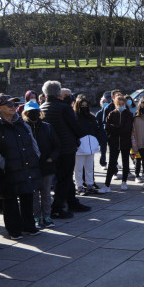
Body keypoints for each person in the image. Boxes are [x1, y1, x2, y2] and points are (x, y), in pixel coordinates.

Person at [0, 94, 42, 239]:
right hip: (7, 169)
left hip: (26, 165)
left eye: (14, 104)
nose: (13, 107)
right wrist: (3, 164)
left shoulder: (22, 123)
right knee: (9, 200)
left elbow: (32, 141)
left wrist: (36, 156)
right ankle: (14, 229)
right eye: (9, 105)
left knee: (27, 196)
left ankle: (29, 226)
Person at [40, 80, 90, 217]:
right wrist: (79, 135)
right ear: (58, 92)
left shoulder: (43, 106)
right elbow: (76, 127)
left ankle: (72, 201)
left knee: (62, 178)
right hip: (66, 147)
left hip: (52, 148)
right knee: (64, 179)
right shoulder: (63, 107)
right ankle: (58, 207)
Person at [24, 101, 59, 229]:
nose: (34, 114)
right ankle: (36, 216)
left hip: (46, 165)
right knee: (33, 194)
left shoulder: (47, 127)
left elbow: (56, 145)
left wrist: (51, 158)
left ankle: (47, 216)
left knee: (46, 193)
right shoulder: (23, 127)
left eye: (36, 112)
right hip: (31, 166)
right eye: (30, 112)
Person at [105, 94, 134, 191]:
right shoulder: (112, 113)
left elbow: (127, 128)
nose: (121, 105)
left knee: (125, 162)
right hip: (114, 142)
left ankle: (124, 182)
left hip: (125, 142)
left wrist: (115, 127)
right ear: (116, 104)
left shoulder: (129, 114)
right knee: (111, 163)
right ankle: (107, 184)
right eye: (119, 104)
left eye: (122, 104)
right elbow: (107, 127)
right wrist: (118, 127)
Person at [73, 95, 101, 194]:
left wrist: (96, 141)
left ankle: (90, 184)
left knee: (89, 167)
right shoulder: (75, 117)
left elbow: (97, 130)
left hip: (91, 146)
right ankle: (79, 186)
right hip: (80, 146)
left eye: (86, 105)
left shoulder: (91, 117)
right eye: (82, 105)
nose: (84, 107)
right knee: (79, 168)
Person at [95, 90, 115, 171]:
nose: (104, 103)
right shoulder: (99, 113)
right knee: (103, 150)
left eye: (105, 101)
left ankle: (115, 163)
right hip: (102, 134)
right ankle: (103, 163)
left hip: (109, 133)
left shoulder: (109, 111)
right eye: (103, 102)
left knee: (112, 149)